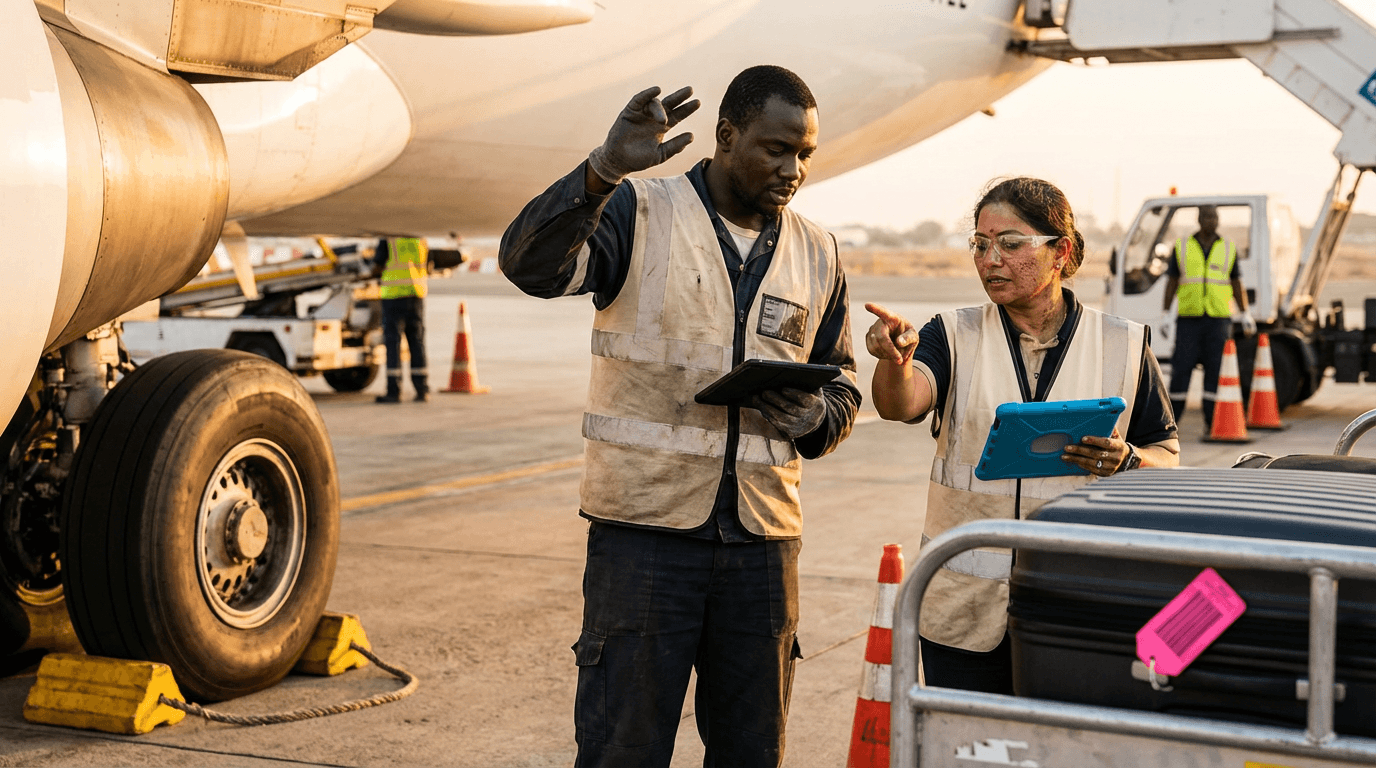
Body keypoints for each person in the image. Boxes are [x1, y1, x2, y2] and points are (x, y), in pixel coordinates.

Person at [499, 65, 859, 767]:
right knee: (622, 750)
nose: (793, 170)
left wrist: (814, 413)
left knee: (753, 751)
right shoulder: (640, 210)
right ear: (725, 136)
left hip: (762, 545)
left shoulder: (818, 251)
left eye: (805, 154)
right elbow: (530, 267)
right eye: (776, 149)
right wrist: (602, 172)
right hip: (645, 540)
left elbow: (842, 386)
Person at [866, 177, 1179, 694]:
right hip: (962, 610)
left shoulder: (1123, 343)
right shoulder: (953, 333)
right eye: (980, 244)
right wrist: (895, 362)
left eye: (1010, 244)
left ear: (1061, 252)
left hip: (1074, 608)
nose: (990, 260)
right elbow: (900, 404)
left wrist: (1127, 459)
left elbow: (1165, 453)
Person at [1160, 205, 1253, 428]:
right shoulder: (1182, 246)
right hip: (1189, 320)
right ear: (1199, 219)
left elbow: (1236, 282)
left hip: (1218, 320)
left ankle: (1212, 422)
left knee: (1215, 370)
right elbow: (1172, 281)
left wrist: (1245, 312)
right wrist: (1165, 313)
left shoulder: (1228, 247)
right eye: (1207, 217)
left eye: (1214, 217)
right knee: (1181, 369)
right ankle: (1170, 424)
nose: (1212, 221)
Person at [372, 236, 430, 403]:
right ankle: (422, 389)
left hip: (394, 296)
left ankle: (393, 391)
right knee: (417, 342)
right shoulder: (420, 239)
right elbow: (429, 263)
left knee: (393, 343)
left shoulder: (389, 239)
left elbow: (378, 264)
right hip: (416, 294)